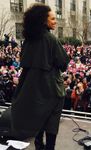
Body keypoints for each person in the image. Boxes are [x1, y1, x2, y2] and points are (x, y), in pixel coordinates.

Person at [11, 3, 69, 150]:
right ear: (44, 20)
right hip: (51, 88)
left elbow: (24, 61)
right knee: (51, 122)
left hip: (33, 88)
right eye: (53, 19)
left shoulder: (28, 40)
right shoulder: (51, 39)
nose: (55, 21)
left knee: (38, 117)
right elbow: (63, 63)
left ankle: (38, 146)